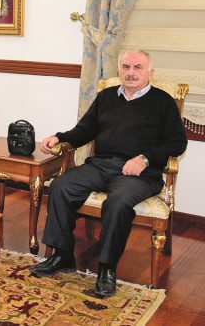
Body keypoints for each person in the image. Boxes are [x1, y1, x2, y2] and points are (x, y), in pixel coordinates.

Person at [29, 50, 187, 297]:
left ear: (150, 73)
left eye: (137, 67)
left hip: (141, 173)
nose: (131, 72)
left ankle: (106, 269)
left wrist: (145, 158)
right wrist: (59, 137)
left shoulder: (163, 102)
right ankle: (63, 255)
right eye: (126, 67)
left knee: (118, 203)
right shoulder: (106, 97)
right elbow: (84, 130)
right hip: (101, 165)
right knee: (61, 186)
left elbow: (177, 143)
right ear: (119, 70)